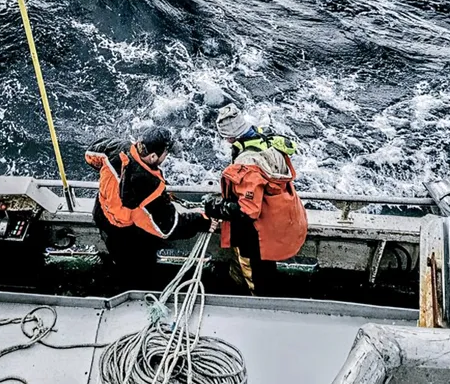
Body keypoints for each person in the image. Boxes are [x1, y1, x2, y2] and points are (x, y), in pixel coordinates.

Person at [85, 126, 212, 289]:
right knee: (140, 269)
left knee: (119, 259)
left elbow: (90, 154)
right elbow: (168, 228)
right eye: (166, 153)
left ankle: (121, 274)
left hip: (102, 214)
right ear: (153, 156)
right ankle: (138, 288)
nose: (167, 156)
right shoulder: (149, 187)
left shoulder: (115, 148)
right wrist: (202, 220)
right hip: (126, 234)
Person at [203, 104, 308, 296]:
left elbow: (247, 210)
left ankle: (257, 303)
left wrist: (216, 207)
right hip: (279, 218)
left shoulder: (247, 163)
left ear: (229, 136)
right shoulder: (266, 140)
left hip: (257, 235)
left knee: (256, 276)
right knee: (263, 269)